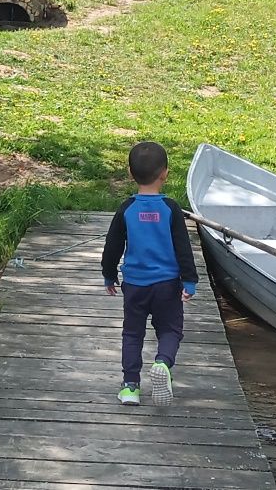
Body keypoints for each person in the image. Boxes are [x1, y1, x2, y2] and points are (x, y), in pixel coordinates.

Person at [101, 141, 197, 406]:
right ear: (165, 173)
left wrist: (109, 275)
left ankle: (131, 386)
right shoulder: (171, 209)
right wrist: (189, 280)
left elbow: (113, 245)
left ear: (130, 174)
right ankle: (163, 364)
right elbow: (183, 247)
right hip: (167, 284)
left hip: (134, 284)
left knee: (133, 334)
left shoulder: (127, 208)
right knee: (170, 330)